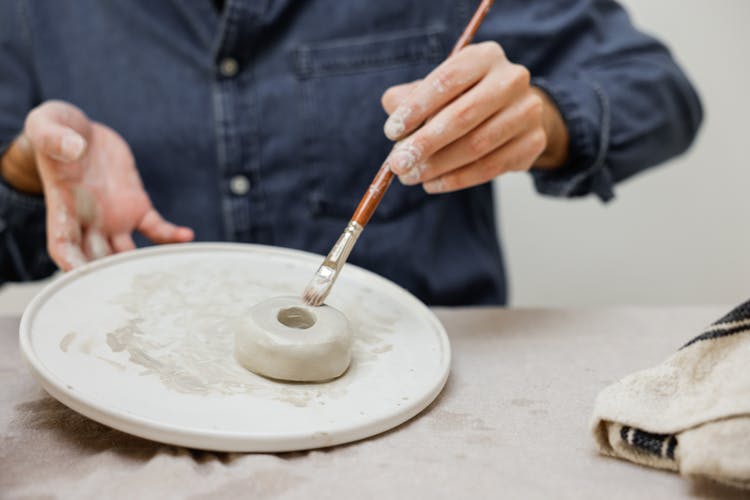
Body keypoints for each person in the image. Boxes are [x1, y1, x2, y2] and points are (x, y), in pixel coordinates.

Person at [0, 0, 702, 305]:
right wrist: (26, 173)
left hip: (430, 409)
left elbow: (662, 93)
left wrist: (545, 121)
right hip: (139, 400)